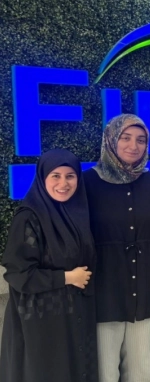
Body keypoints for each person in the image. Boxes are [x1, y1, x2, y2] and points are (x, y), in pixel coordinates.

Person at [84, 114, 150, 382]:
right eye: (126, 138)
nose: (134, 146)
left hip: (145, 288)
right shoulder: (87, 183)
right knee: (105, 372)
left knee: (141, 370)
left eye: (141, 140)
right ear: (111, 139)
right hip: (104, 290)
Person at [0, 149, 97, 382]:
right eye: (55, 176)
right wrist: (66, 277)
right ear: (43, 178)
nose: (63, 183)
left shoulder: (79, 214)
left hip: (74, 319)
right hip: (40, 322)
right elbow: (19, 275)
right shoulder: (29, 218)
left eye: (70, 176)